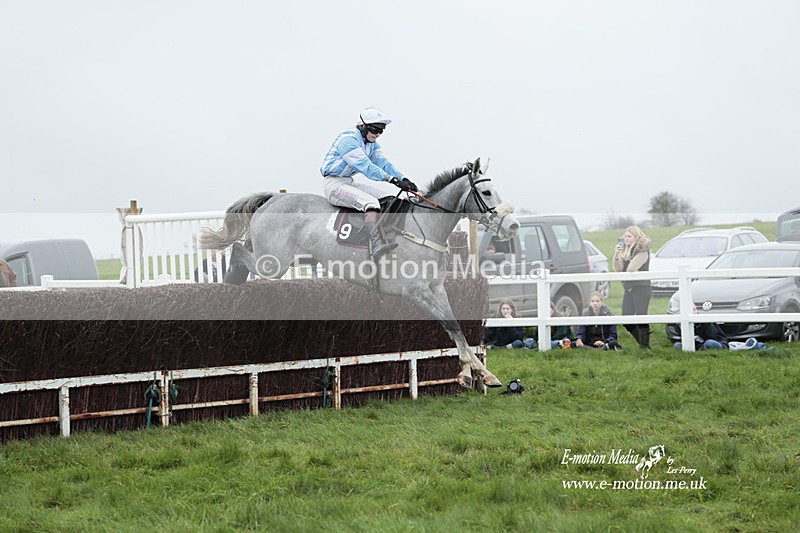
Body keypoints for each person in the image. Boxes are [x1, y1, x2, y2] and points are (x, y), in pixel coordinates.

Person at [320, 107, 418, 260]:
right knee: (371, 203)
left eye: (381, 130)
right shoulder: (348, 140)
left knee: (390, 198)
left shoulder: (372, 144)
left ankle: (390, 234)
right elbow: (367, 167)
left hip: (349, 183)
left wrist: (403, 178)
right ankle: (377, 244)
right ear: (363, 126)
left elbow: (383, 163)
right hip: (333, 185)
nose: (378, 134)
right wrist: (393, 180)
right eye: (375, 130)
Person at [613, 225, 653, 349]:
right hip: (629, 288)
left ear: (636, 237)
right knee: (626, 319)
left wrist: (627, 257)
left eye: (629, 236)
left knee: (641, 316)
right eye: (625, 236)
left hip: (641, 287)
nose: (626, 239)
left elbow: (631, 269)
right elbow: (618, 269)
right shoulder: (625, 251)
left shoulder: (642, 250)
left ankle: (644, 346)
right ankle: (643, 344)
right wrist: (617, 254)